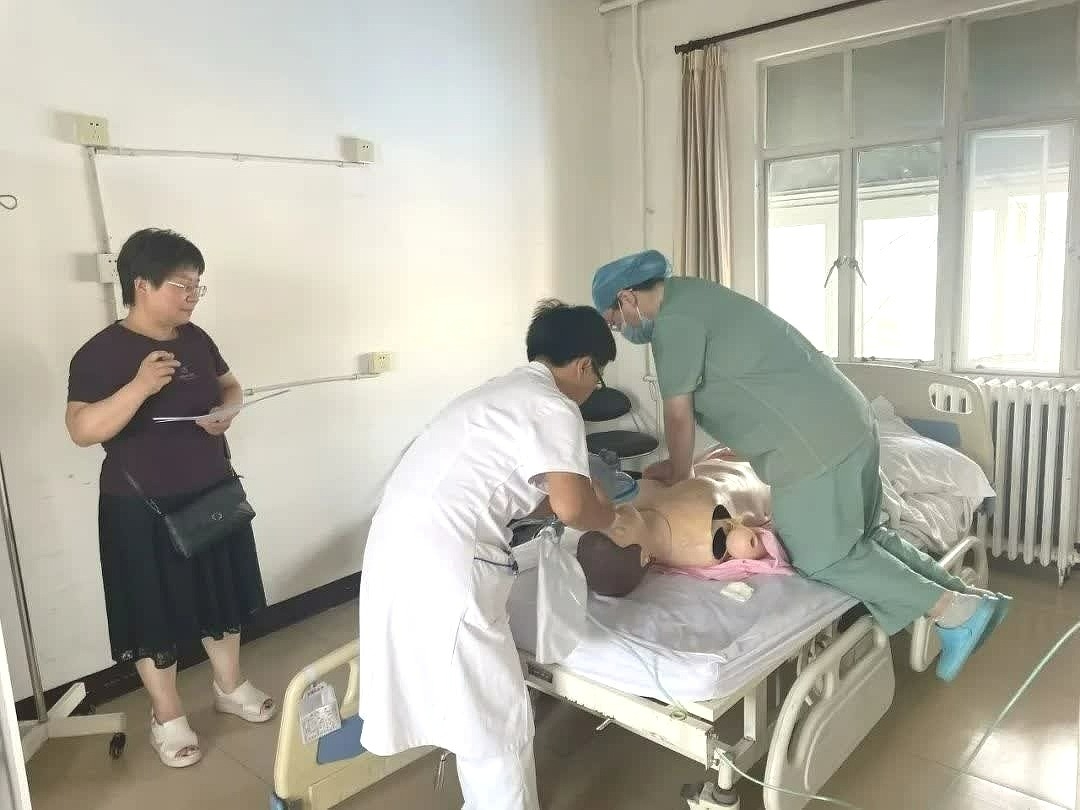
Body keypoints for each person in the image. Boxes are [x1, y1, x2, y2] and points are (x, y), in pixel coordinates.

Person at [591, 249, 1011, 682]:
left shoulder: (673, 324)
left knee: (820, 555)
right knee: (867, 535)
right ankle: (966, 596)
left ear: (627, 298)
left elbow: (678, 415)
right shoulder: (697, 295)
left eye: (616, 320)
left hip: (813, 446)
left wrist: (681, 475)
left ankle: (953, 612)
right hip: (849, 422)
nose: (622, 329)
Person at [357, 300, 643, 810]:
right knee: (494, 713)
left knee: (463, 695)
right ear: (584, 366)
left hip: (392, 546)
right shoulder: (554, 406)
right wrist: (610, 519)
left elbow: (517, 490)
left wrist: (577, 500)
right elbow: (573, 508)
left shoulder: (495, 393)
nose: (592, 389)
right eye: (597, 378)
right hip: (446, 560)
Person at [65, 228, 274, 769]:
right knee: (151, 610)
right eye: (183, 285)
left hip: (211, 489)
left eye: (198, 285)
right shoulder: (100, 353)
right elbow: (82, 430)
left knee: (221, 596)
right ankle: (167, 715)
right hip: (141, 506)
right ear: (142, 284)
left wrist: (227, 411)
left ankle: (230, 687)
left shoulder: (197, 338)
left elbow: (230, 386)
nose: (192, 296)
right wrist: (139, 386)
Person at [577, 446, 792, 597]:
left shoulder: (634, 499)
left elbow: (667, 474)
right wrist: (742, 542)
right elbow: (750, 541)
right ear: (644, 558)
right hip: (763, 474)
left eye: (602, 523)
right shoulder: (702, 545)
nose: (612, 516)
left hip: (720, 455)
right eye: (619, 530)